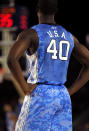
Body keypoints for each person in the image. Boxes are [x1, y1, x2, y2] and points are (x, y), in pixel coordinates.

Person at [7, 0, 89, 130]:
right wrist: (70, 91)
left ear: (37, 10)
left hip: (40, 92)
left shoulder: (31, 34)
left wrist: (25, 89)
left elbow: (11, 59)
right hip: (62, 95)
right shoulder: (69, 36)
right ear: (56, 12)